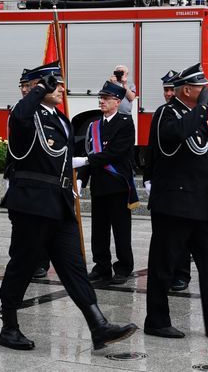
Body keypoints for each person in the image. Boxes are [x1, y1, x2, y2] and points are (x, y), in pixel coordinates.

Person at [0, 64, 137, 350]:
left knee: (74, 267)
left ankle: (98, 324)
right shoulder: (27, 115)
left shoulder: (60, 119)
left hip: (59, 204)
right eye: (55, 83)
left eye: (60, 84)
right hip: (32, 204)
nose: (61, 88)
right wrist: (39, 88)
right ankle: (9, 326)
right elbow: (20, 118)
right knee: (22, 266)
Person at [144, 63, 208, 339]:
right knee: (163, 264)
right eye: (201, 88)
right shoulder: (166, 113)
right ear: (187, 90)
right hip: (174, 204)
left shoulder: (194, 116)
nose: (206, 92)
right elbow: (174, 136)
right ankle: (156, 320)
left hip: (201, 204)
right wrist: (201, 109)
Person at [77, 81, 138, 285]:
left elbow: (115, 152)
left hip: (118, 184)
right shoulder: (94, 125)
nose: (101, 101)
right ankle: (101, 266)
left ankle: (123, 267)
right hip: (99, 185)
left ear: (117, 101)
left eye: (106, 98)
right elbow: (89, 152)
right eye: (100, 98)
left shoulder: (125, 122)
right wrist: (80, 180)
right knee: (99, 230)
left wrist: (87, 161)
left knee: (121, 230)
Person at [143, 69, 191, 292]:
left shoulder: (187, 114)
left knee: (181, 235)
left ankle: (181, 274)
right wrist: (147, 176)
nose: (169, 94)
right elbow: (153, 147)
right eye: (166, 90)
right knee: (162, 234)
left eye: (172, 89)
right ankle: (167, 272)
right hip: (162, 181)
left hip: (181, 183)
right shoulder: (161, 113)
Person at [15, 65, 51, 279]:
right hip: (21, 177)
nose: (25, 90)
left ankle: (41, 262)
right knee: (22, 228)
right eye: (23, 86)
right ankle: (25, 260)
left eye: (29, 86)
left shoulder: (43, 113)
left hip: (39, 179)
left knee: (41, 227)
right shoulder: (22, 110)